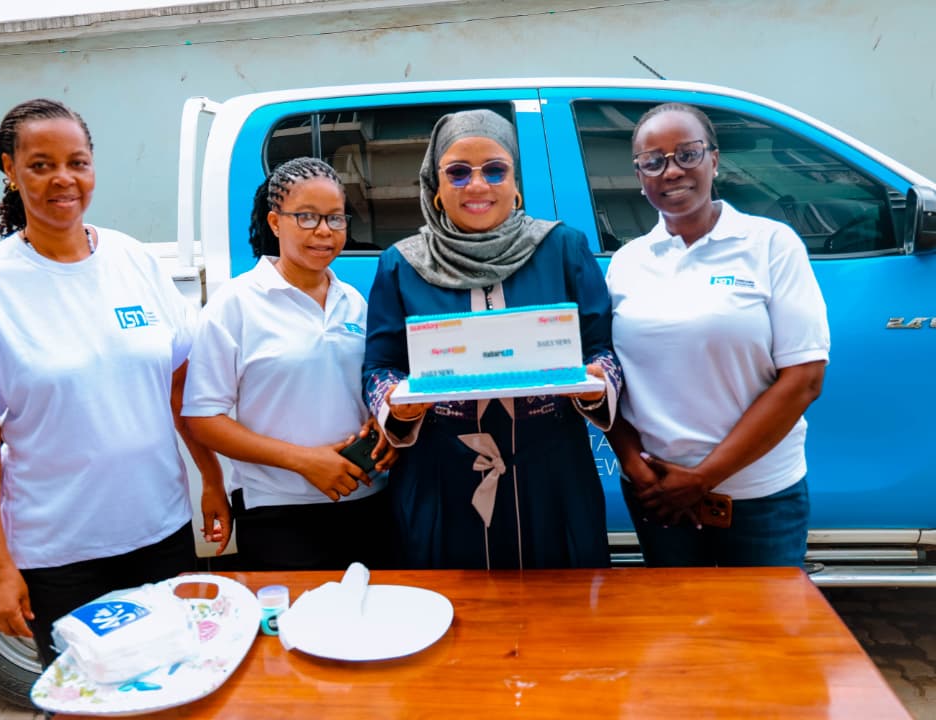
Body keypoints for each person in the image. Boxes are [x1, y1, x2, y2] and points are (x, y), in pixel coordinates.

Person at [0, 98, 229, 666]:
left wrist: (211, 478)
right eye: (41, 165)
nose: (63, 179)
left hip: (161, 533)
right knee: (85, 692)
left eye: (77, 163)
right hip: (59, 556)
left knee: (174, 683)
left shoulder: (133, 261)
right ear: (10, 170)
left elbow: (180, 389)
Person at [363, 109, 622, 570]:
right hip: (441, 478)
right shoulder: (403, 263)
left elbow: (600, 348)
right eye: (458, 173)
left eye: (495, 170)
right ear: (435, 187)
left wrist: (598, 381)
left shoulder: (562, 248)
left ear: (516, 182)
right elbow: (380, 366)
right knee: (452, 605)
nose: (477, 185)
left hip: (552, 477)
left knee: (564, 604)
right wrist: (394, 403)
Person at [606, 102, 830, 567]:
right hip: (658, 497)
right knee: (675, 616)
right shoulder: (626, 264)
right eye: (653, 161)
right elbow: (608, 382)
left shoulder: (771, 244)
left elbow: (804, 379)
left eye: (687, 154)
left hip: (759, 499)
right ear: (640, 175)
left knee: (763, 617)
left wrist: (703, 477)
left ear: (714, 159)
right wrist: (634, 467)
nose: (672, 171)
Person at [181, 157, 397, 571]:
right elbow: (203, 418)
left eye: (335, 218)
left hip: (368, 499)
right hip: (279, 512)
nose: (324, 231)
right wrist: (304, 461)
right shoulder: (236, 304)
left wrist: (382, 427)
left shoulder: (353, 301)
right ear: (275, 222)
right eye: (307, 217)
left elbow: (366, 387)